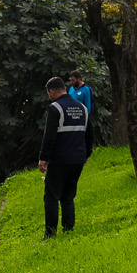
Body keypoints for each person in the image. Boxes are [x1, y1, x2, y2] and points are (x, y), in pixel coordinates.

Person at [38, 75, 90, 237]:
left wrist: (43, 158)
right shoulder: (82, 108)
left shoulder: (55, 108)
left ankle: (50, 234)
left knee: (51, 197)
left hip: (60, 160)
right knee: (68, 196)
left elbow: (50, 136)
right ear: (65, 89)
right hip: (77, 159)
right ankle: (68, 229)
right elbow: (90, 134)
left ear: (52, 92)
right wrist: (86, 154)